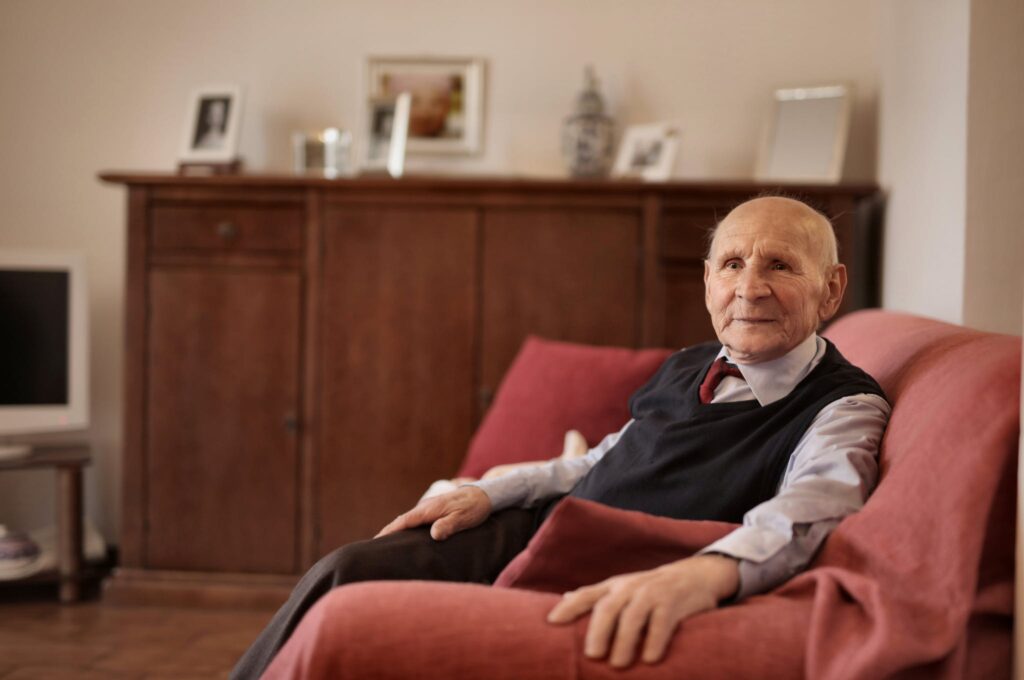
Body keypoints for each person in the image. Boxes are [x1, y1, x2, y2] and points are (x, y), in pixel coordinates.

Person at [231, 196, 890, 678]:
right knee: (345, 570)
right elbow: (608, 455)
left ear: (830, 290)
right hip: (541, 526)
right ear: (708, 281)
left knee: (356, 620)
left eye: (780, 266)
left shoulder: (843, 402)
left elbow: (815, 504)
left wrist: (708, 573)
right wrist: (492, 491)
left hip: (603, 563)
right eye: (732, 264)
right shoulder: (694, 361)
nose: (749, 288)